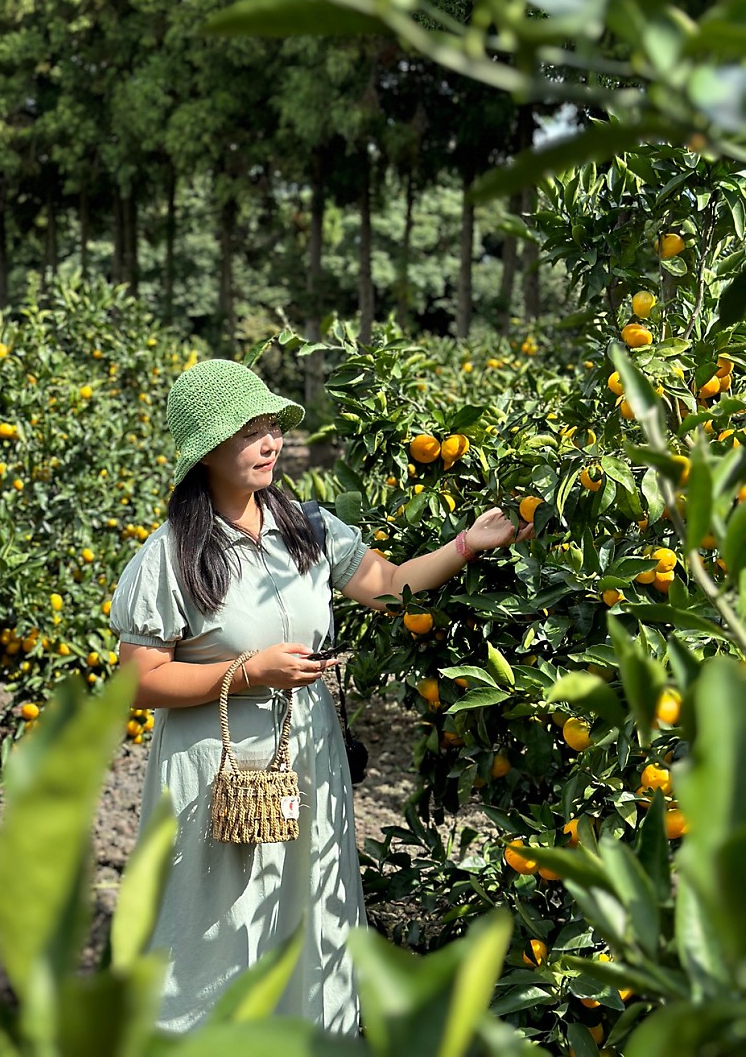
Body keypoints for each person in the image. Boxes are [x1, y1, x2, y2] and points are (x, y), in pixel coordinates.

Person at [110, 358, 532, 1036]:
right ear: (206, 451)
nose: (271, 443)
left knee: (308, 902)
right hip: (216, 764)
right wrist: (247, 673)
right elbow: (139, 679)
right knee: (218, 917)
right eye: (250, 431)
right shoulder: (170, 555)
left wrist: (466, 544)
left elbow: (389, 584)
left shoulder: (308, 528)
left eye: (272, 426)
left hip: (304, 753)